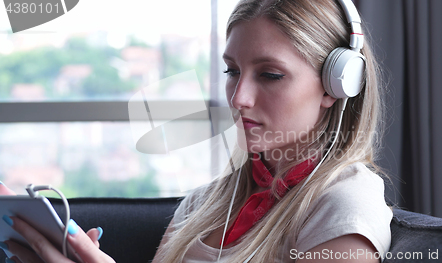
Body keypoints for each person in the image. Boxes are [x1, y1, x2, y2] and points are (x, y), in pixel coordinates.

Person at [0, 0, 392, 262]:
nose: (238, 98)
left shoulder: (345, 208)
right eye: (232, 71)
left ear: (336, 85)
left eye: (270, 75)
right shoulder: (205, 203)